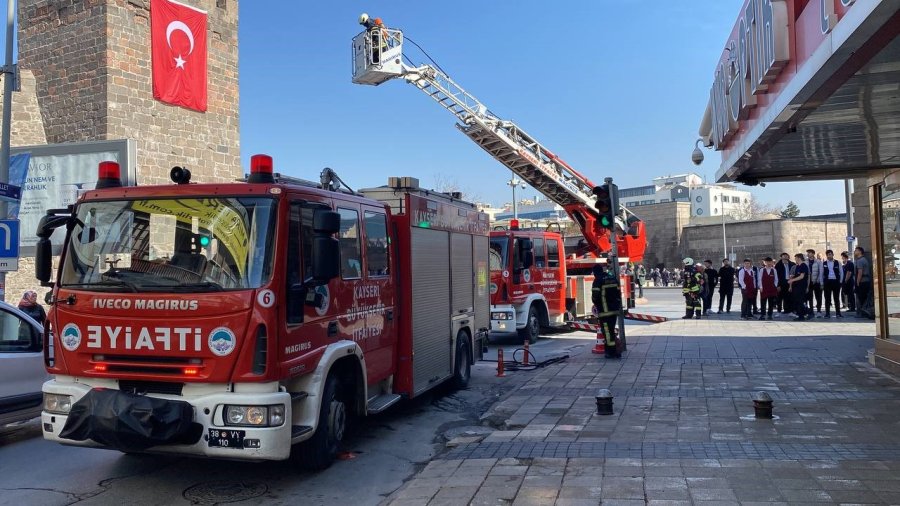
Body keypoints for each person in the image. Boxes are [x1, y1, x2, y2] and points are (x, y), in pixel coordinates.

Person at [591, 264, 622, 358]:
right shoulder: (612, 278)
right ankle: (613, 350)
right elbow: (618, 292)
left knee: (607, 333)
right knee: (611, 330)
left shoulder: (598, 280)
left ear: (595, 272)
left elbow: (595, 297)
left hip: (605, 312)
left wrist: (597, 305)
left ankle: (612, 352)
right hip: (614, 310)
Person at [788, 253, 811, 320]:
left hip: (801, 286)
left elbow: (802, 276)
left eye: (796, 258)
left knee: (800, 301)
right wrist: (791, 283)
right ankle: (801, 314)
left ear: (799, 258)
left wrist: (792, 280)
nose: (795, 259)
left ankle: (807, 313)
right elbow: (795, 275)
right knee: (798, 301)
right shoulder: (797, 266)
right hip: (796, 286)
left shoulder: (804, 266)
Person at [822, 249, 844, 318]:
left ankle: (838, 313)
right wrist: (822, 282)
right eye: (828, 255)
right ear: (826, 256)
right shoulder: (824, 263)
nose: (829, 256)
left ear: (833, 255)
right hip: (827, 282)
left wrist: (840, 281)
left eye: (830, 254)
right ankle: (827, 313)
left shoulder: (838, 262)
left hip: (835, 282)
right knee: (827, 298)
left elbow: (841, 272)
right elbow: (822, 274)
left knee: (836, 298)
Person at [854, 246, 872, 318]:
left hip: (862, 282)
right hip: (866, 281)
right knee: (864, 297)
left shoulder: (860, 261)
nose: (855, 251)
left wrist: (857, 282)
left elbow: (860, 272)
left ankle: (862, 313)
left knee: (861, 298)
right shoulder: (864, 259)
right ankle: (863, 313)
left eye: (856, 250)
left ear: (860, 252)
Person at [806, 249, 824, 317]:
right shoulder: (806, 262)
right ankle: (811, 310)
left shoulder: (818, 262)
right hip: (809, 282)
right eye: (807, 253)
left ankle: (819, 310)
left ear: (813, 254)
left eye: (809, 253)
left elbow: (821, 272)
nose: (808, 254)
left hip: (817, 282)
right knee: (810, 296)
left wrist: (820, 282)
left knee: (818, 296)